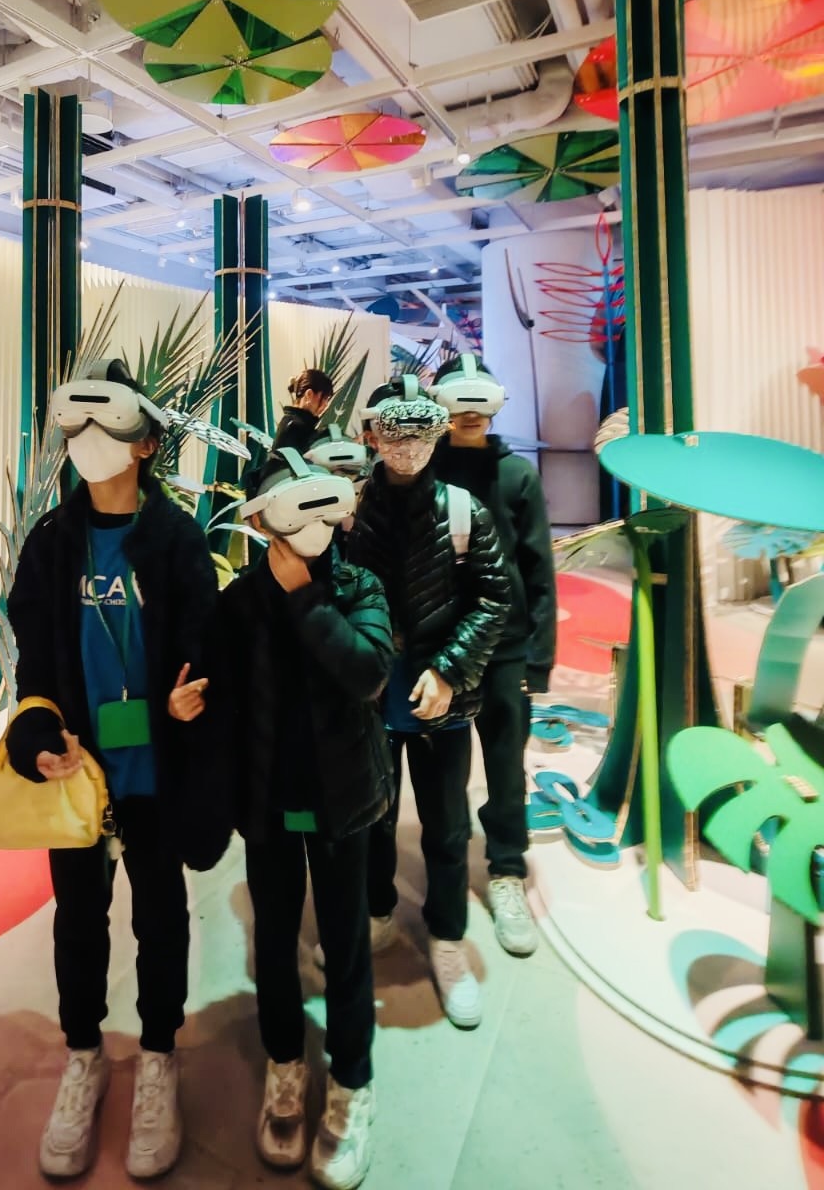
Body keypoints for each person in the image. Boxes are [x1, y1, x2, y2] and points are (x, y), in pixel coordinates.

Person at [4, 361, 229, 1181]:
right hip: (79, 775)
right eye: (78, 426)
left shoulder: (177, 540)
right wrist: (36, 736)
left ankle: (159, 1054)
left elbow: (207, 646)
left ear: (146, 443)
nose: (90, 442)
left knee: (161, 917)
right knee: (78, 918)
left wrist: (192, 700)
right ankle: (84, 1052)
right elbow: (33, 665)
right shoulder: (50, 544)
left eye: (109, 427)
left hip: (156, 773)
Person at [218, 447, 393, 1190]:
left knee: (346, 945)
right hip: (268, 803)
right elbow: (222, 694)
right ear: (260, 521)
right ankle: (285, 1064)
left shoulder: (357, 586)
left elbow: (369, 672)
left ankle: (352, 1081)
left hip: (342, 800)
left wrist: (306, 601)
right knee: (275, 938)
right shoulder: (238, 602)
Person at [345, 375, 511, 1030]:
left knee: (446, 823)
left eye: (420, 433)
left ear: (438, 434)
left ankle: (447, 936)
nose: (407, 447)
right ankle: (375, 911)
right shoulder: (350, 508)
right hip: (371, 690)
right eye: (394, 433)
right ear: (373, 435)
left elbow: (494, 599)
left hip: (443, 693)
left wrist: (449, 670)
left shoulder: (465, 512)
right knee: (370, 815)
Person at [430, 354, 557, 958]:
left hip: (505, 652)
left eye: (479, 401)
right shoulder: (423, 471)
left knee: (507, 770)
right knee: (445, 777)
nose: (470, 413)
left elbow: (539, 571)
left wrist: (538, 661)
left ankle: (507, 870)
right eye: (459, 402)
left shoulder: (516, 476)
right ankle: (448, 875)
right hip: (443, 653)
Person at [272, 368, 334, 455]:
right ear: (309, 394)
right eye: (324, 398)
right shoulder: (295, 427)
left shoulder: (290, 422)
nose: (326, 404)